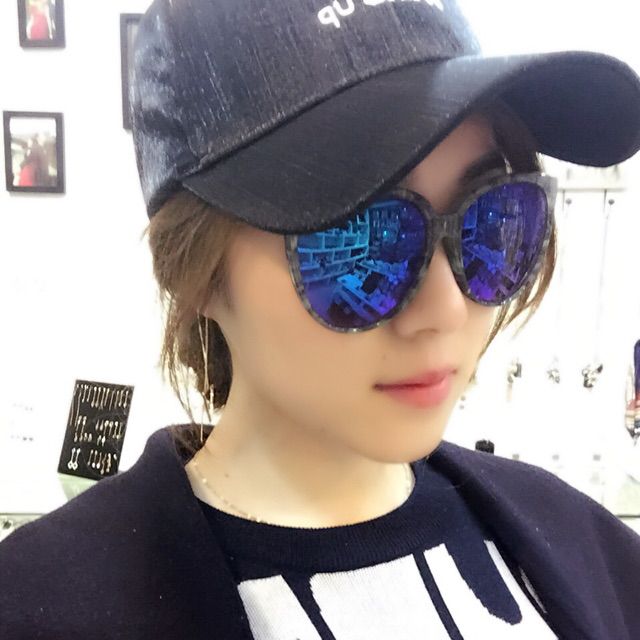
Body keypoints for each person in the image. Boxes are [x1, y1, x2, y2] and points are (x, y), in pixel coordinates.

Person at [2, 0, 640, 638]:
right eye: (359, 237)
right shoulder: (42, 607)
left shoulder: (592, 551)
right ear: (192, 270)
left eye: (494, 219)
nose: (447, 309)